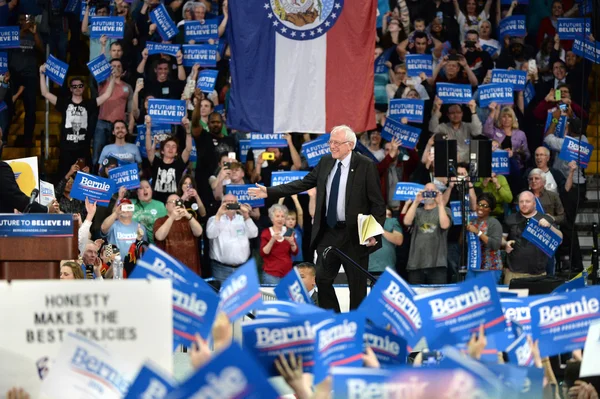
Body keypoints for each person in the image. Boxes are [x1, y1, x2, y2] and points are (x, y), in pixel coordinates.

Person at [249, 125, 386, 312]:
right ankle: (335, 319)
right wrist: (269, 191)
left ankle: (356, 325)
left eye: (337, 143)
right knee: (322, 279)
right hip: (328, 233)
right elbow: (303, 183)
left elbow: (378, 204)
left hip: (354, 235)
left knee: (357, 286)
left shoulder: (365, 165)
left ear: (350, 145)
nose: (332, 146)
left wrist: (374, 234)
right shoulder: (325, 161)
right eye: (331, 142)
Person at [39, 65, 117, 178]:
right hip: (66, 149)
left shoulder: (89, 104)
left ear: (84, 87)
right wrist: (42, 74)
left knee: (85, 178)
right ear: (70, 89)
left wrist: (113, 78)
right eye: (74, 86)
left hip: (83, 149)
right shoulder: (64, 103)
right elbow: (45, 93)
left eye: (80, 86)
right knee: (65, 177)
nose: (77, 88)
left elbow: (107, 95)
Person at [503, 191, 562, 284]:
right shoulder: (510, 219)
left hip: (538, 275)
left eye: (527, 201)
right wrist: (505, 244)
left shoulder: (545, 218)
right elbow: (502, 239)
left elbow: (560, 240)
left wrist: (550, 227)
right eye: (521, 202)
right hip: (513, 273)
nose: (524, 204)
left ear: (534, 203)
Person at [403, 183, 452, 284]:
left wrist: (440, 203)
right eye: (426, 191)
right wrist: (416, 202)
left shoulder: (445, 210)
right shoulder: (416, 211)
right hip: (415, 264)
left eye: (432, 191)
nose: (429, 193)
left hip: (437, 264)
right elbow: (406, 222)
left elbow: (445, 225)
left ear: (437, 193)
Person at [205, 194, 258, 282]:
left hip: (242, 268)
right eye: (226, 202)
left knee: (242, 295)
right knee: (220, 295)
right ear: (221, 204)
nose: (228, 205)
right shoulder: (214, 219)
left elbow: (254, 234)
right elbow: (210, 234)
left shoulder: (242, 219)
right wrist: (219, 214)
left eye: (232, 202)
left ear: (237, 204)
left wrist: (246, 215)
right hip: (220, 269)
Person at [145, 116, 193, 203]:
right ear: (162, 151)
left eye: (174, 147)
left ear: (176, 152)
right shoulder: (156, 162)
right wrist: (148, 128)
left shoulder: (179, 164)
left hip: (174, 202)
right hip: (156, 203)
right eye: (167, 146)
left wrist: (188, 131)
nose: (170, 149)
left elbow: (188, 149)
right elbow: (148, 150)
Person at [154, 194, 203, 275]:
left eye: (177, 201)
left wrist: (187, 214)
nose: (175, 203)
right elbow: (159, 237)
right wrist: (172, 217)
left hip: (190, 269)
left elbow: (199, 232)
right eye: (172, 202)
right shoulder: (160, 221)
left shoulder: (189, 220)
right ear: (166, 206)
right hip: (168, 270)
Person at [429, 97, 482, 163]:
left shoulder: (468, 126)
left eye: (458, 112)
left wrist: (473, 111)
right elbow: (432, 129)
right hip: (450, 162)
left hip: (467, 162)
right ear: (448, 115)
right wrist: (437, 112)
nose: (456, 115)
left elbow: (477, 131)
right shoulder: (444, 126)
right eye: (452, 113)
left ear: (462, 114)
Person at [259, 204, 299, 284]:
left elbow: (295, 252)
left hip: (287, 274)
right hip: (271, 274)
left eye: (282, 216)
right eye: (277, 216)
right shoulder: (266, 233)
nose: (280, 219)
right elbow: (263, 253)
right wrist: (272, 240)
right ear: (272, 218)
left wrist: (292, 243)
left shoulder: (289, 231)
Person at [465, 193, 503, 273]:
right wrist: (464, 230)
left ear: (490, 209)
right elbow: (462, 244)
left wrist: (478, 232)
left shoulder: (494, 223)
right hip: (473, 266)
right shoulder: (472, 221)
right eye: (479, 204)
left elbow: (495, 245)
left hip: (491, 268)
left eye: (485, 206)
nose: (481, 208)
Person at [368, 207, 404, 276]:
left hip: (388, 269)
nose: (386, 216)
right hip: (367, 268)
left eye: (389, 214)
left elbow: (399, 240)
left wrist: (381, 230)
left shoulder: (392, 221)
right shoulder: (367, 221)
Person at [132, 179, 167, 244]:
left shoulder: (160, 205)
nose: (145, 190)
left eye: (147, 187)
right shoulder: (131, 203)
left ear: (151, 190)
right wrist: (120, 197)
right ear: (137, 192)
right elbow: (116, 214)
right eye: (141, 188)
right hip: (132, 244)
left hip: (154, 246)